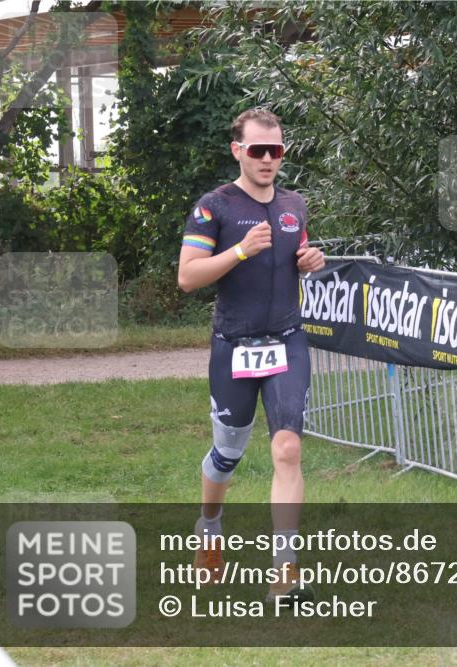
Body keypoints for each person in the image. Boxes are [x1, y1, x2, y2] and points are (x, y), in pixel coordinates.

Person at [178, 108, 326, 604]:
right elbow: (188, 276)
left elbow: (298, 253)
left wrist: (311, 260)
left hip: (286, 339)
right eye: (258, 149)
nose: (267, 159)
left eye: (276, 150)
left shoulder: (294, 204)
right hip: (234, 346)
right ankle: (210, 528)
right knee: (226, 456)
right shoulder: (213, 206)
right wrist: (239, 251)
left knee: (287, 448)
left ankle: (286, 570)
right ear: (237, 150)